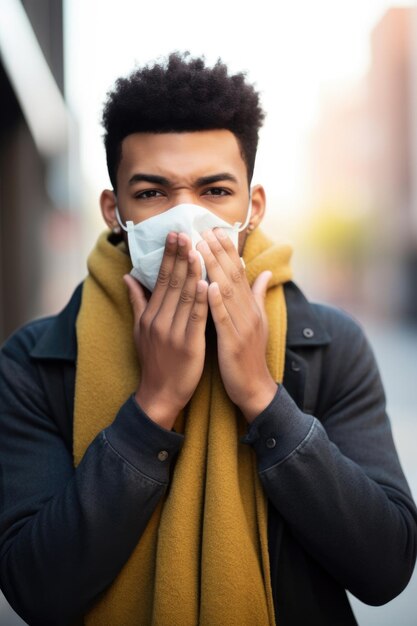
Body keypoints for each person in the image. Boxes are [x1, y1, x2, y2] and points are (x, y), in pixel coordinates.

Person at [0, 52, 416, 626]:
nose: (185, 220)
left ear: (253, 207)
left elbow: (386, 567)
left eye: (215, 191)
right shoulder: (35, 361)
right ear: (113, 211)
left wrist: (264, 399)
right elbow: (36, 587)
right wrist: (152, 406)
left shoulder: (328, 344)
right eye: (151, 193)